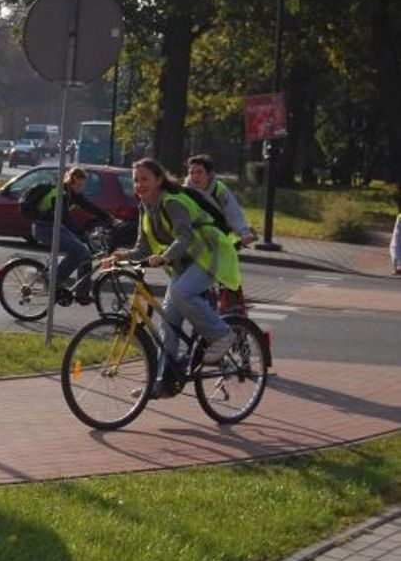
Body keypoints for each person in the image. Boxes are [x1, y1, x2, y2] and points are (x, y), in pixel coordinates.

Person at [106, 158, 240, 398]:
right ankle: (162, 383)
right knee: (167, 322)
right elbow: (143, 247)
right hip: (185, 264)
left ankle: (222, 335)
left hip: (209, 256)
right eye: (136, 180)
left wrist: (165, 256)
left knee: (180, 293)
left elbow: (185, 237)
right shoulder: (145, 207)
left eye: (145, 179)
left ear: (158, 180)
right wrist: (120, 256)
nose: (139, 184)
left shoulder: (172, 202)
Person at [31, 166, 114, 303]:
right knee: (78, 251)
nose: (82, 188)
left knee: (86, 255)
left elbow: (88, 206)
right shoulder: (61, 193)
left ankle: (82, 294)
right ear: (73, 181)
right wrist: (83, 232)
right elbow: (65, 218)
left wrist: (108, 217)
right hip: (44, 228)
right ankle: (52, 281)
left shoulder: (72, 193)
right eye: (80, 185)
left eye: (83, 185)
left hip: (57, 228)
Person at [184, 154, 257, 246]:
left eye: (199, 172)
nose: (194, 176)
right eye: (191, 172)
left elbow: (233, 212)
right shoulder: (184, 192)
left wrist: (244, 232)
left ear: (208, 175)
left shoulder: (219, 189)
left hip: (219, 237)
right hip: (193, 239)